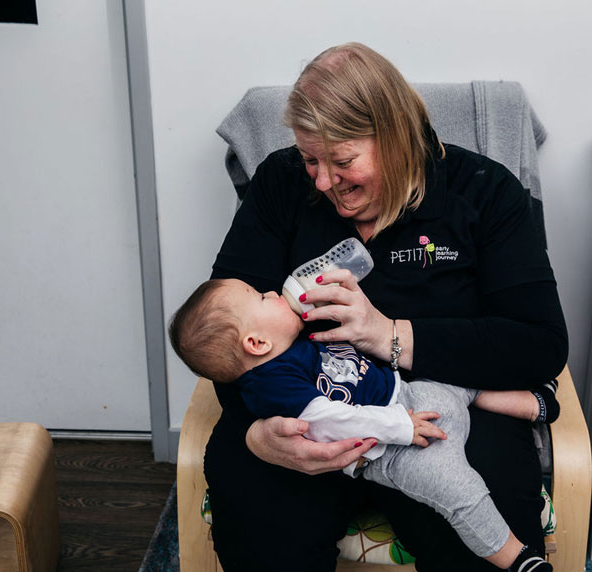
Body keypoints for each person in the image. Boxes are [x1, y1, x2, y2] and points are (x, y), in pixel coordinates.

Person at [205, 42, 568, 571]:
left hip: (444, 412)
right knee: (260, 522)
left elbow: (539, 344)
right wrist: (256, 433)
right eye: (312, 159)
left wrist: (390, 336)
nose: (325, 182)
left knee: (483, 534)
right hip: (305, 408)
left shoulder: (485, 194)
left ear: (399, 138)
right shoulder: (282, 184)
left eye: (343, 160)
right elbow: (224, 323)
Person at [170, 277, 560, 571]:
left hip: (406, 397)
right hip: (392, 450)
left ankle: (531, 403)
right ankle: (515, 557)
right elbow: (333, 420)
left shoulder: (290, 345)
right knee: (458, 489)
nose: (273, 292)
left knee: (461, 381)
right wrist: (400, 427)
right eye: (261, 298)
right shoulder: (272, 384)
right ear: (256, 344)